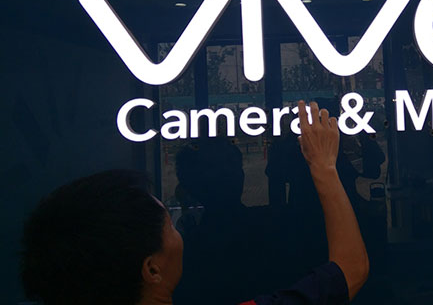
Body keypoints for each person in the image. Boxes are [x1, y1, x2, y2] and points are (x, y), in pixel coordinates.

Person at [21, 101, 369, 305]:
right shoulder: (268, 229)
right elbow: (349, 270)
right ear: (152, 269)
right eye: (167, 225)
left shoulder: (204, 246)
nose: (179, 232)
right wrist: (324, 166)